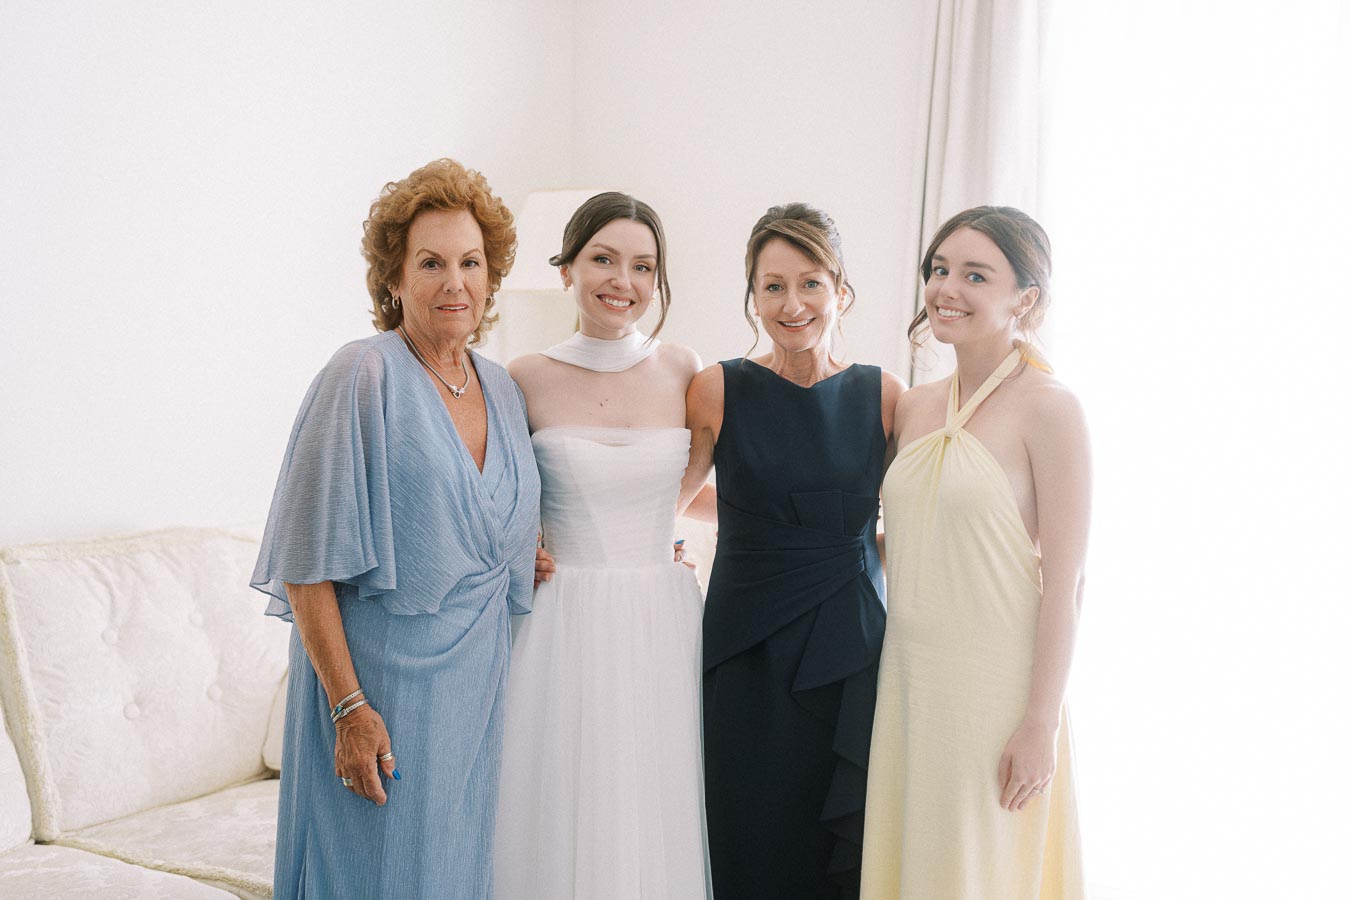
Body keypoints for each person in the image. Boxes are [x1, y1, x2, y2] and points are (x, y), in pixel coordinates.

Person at [250, 158, 541, 899]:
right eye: (431, 262)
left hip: (475, 698)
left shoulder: (503, 390)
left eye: (470, 262)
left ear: (491, 275)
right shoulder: (362, 374)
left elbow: (480, 529)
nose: (455, 282)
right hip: (378, 701)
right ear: (394, 278)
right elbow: (305, 563)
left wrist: (526, 550)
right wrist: (350, 711)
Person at [860, 206, 1089, 899]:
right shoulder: (914, 406)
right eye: (938, 269)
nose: (945, 289)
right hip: (908, 683)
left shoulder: (1050, 408)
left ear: (1027, 299)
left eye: (974, 275)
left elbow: (1067, 582)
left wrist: (1039, 723)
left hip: (995, 692)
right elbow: (906, 538)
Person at [682, 203, 905, 899]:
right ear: (752, 297)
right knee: (746, 831)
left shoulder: (884, 395)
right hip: (746, 646)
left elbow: (915, 516)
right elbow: (664, 493)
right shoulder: (718, 387)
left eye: (810, 282)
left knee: (843, 839)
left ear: (842, 291)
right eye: (772, 285)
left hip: (852, 644)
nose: (792, 303)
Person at [493, 192, 712, 899]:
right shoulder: (522, 375)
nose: (624, 280)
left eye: (643, 266)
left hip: (660, 615)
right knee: (564, 797)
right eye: (604, 259)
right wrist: (518, 546)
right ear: (566, 269)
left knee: (655, 796)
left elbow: (703, 488)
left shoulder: (685, 369)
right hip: (564, 616)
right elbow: (493, 499)